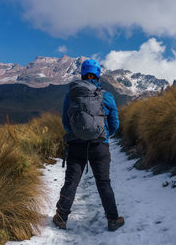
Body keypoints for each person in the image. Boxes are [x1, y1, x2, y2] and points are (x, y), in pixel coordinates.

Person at [53, 59, 125, 231]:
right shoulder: (106, 96)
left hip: (76, 146)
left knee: (71, 182)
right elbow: (114, 124)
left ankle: (61, 218)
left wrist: (78, 134)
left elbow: (65, 122)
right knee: (103, 183)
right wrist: (104, 136)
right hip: (100, 146)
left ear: (83, 74)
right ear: (98, 74)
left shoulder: (70, 95)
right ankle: (113, 220)